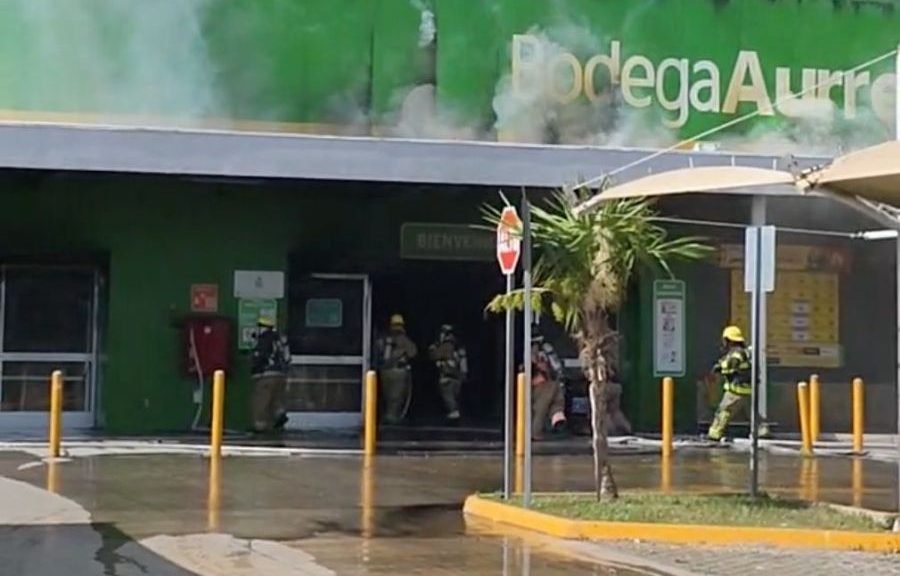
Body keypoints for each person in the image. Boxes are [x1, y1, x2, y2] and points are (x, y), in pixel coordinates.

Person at [707, 325, 769, 441]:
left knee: (724, 411)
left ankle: (714, 434)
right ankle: (762, 431)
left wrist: (720, 367)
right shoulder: (745, 352)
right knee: (753, 414)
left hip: (735, 391)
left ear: (729, 340)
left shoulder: (737, 353)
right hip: (748, 390)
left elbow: (732, 364)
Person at [374, 314, 418, 424]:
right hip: (398, 372)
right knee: (396, 398)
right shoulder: (403, 339)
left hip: (385, 371)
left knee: (388, 396)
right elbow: (413, 352)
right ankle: (392, 418)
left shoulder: (382, 339)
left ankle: (389, 416)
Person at [250, 316, 291, 433]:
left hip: (265, 375)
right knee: (276, 399)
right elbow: (288, 358)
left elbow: (260, 357)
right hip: (281, 375)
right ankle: (279, 414)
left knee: (261, 402)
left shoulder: (264, 339)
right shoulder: (281, 339)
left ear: (262, 327)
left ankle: (260, 428)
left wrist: (254, 368)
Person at [529, 332, 567, 440]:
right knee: (551, 405)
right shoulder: (545, 348)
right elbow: (556, 366)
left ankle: (536, 433)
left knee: (541, 407)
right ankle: (556, 418)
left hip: (542, 382)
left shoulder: (533, 349)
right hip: (548, 382)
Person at [428, 324, 468, 422]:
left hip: (447, 377)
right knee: (454, 397)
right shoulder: (459, 347)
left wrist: (432, 348)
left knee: (448, 397)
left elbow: (433, 356)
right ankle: (454, 414)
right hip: (458, 379)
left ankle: (454, 414)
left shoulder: (445, 346)